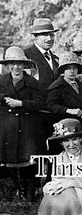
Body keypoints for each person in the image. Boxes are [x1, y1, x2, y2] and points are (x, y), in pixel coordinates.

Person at [0, 46, 46, 201]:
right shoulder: (2, 81)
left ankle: (30, 194)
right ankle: (18, 191)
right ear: (7, 66)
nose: (16, 67)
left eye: (19, 64)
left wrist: (20, 103)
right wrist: (4, 99)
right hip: (8, 127)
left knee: (29, 161)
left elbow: (40, 103)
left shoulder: (32, 82)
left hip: (28, 127)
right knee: (10, 159)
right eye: (12, 64)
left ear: (24, 65)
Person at [46, 52, 82, 150]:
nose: (72, 71)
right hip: (69, 133)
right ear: (63, 70)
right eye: (68, 68)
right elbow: (50, 105)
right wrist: (68, 110)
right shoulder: (56, 87)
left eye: (74, 68)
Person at [23, 18, 59, 90]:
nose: (49, 39)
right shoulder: (25, 56)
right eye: (45, 35)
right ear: (36, 37)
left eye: (51, 35)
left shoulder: (56, 59)